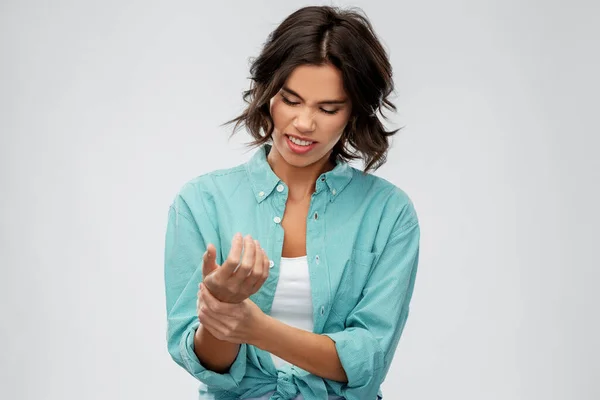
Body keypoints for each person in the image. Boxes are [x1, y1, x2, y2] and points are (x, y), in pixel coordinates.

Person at [164, 5, 420, 400]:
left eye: (328, 108)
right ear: (268, 94)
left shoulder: (389, 214)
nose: (304, 123)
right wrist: (221, 311)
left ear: (354, 112)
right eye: (291, 100)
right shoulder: (201, 203)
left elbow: (368, 360)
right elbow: (208, 367)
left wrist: (255, 327)